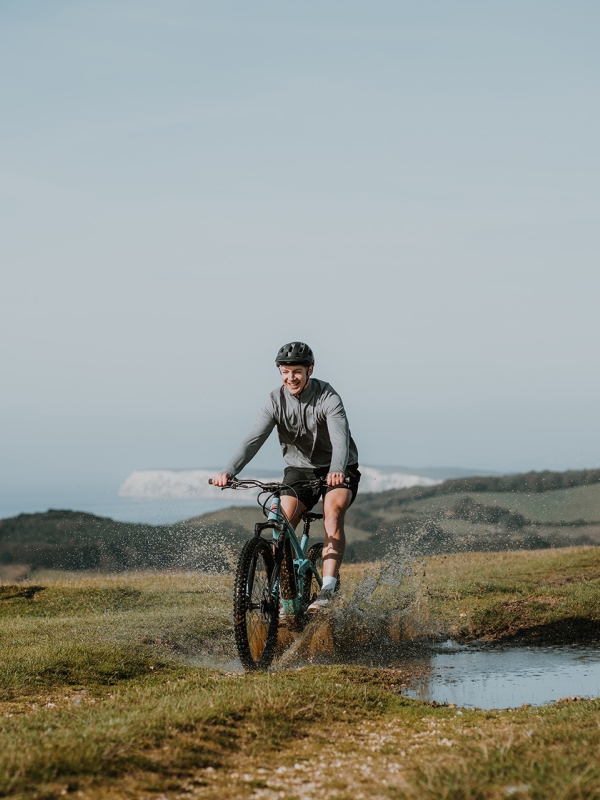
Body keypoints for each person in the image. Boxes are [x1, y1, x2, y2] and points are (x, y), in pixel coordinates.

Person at [212, 341, 360, 610]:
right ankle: (285, 592)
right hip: (299, 470)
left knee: (333, 511)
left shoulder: (328, 397)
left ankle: (327, 588)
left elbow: (340, 439)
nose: (291, 377)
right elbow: (253, 440)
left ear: (309, 370)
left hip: (338, 468)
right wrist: (229, 471)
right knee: (280, 521)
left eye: (297, 372)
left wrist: (337, 470)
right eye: (285, 371)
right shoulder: (274, 401)